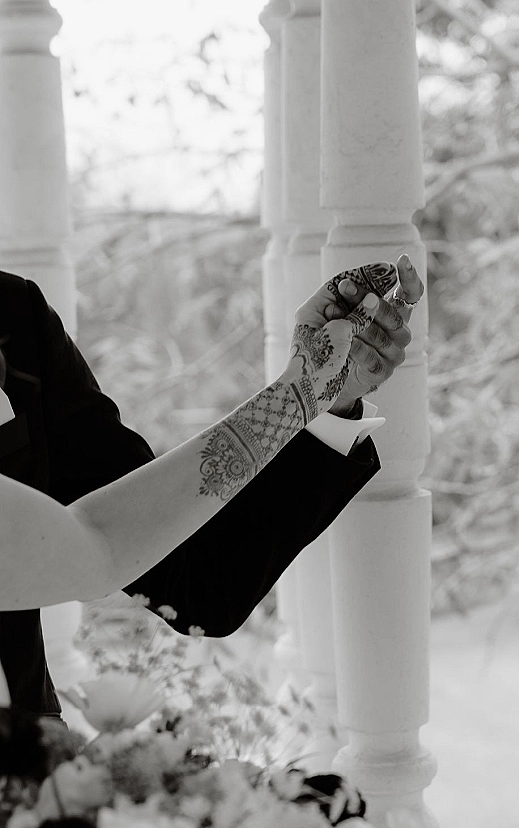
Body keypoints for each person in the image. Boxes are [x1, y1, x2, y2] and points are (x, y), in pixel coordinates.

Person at [0, 256, 423, 718]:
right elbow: (99, 547)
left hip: (35, 754)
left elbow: (195, 580)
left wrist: (327, 402)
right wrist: (295, 396)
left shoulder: (15, 315)